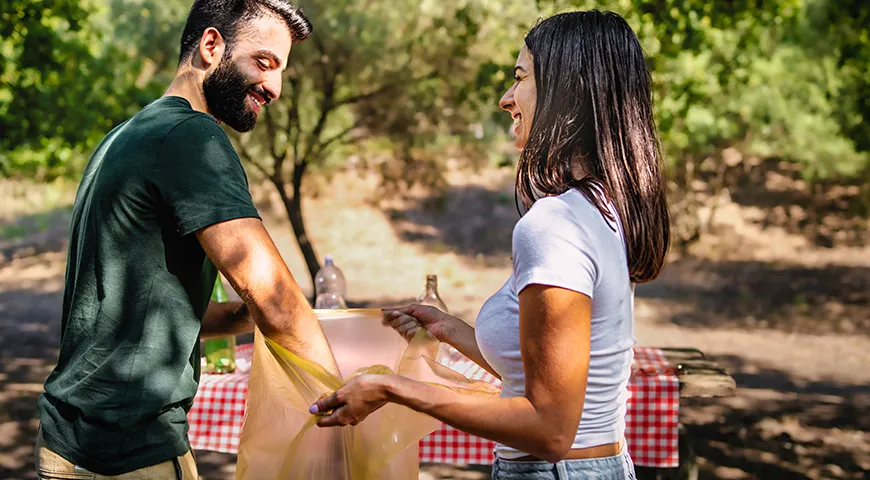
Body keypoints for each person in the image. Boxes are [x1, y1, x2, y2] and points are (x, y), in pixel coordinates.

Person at [309, 10, 670, 479]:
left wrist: (392, 389)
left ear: (567, 93)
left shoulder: (553, 224)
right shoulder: (601, 207)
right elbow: (547, 374)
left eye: (520, 79)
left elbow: (549, 430)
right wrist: (450, 329)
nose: (505, 99)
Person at [35, 1, 339, 478]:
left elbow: (132, 313)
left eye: (282, 70)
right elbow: (276, 301)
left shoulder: (125, 135)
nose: (275, 87)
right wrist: (341, 396)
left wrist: (244, 316)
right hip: (131, 452)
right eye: (264, 62)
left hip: (68, 445)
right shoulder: (191, 135)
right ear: (212, 46)